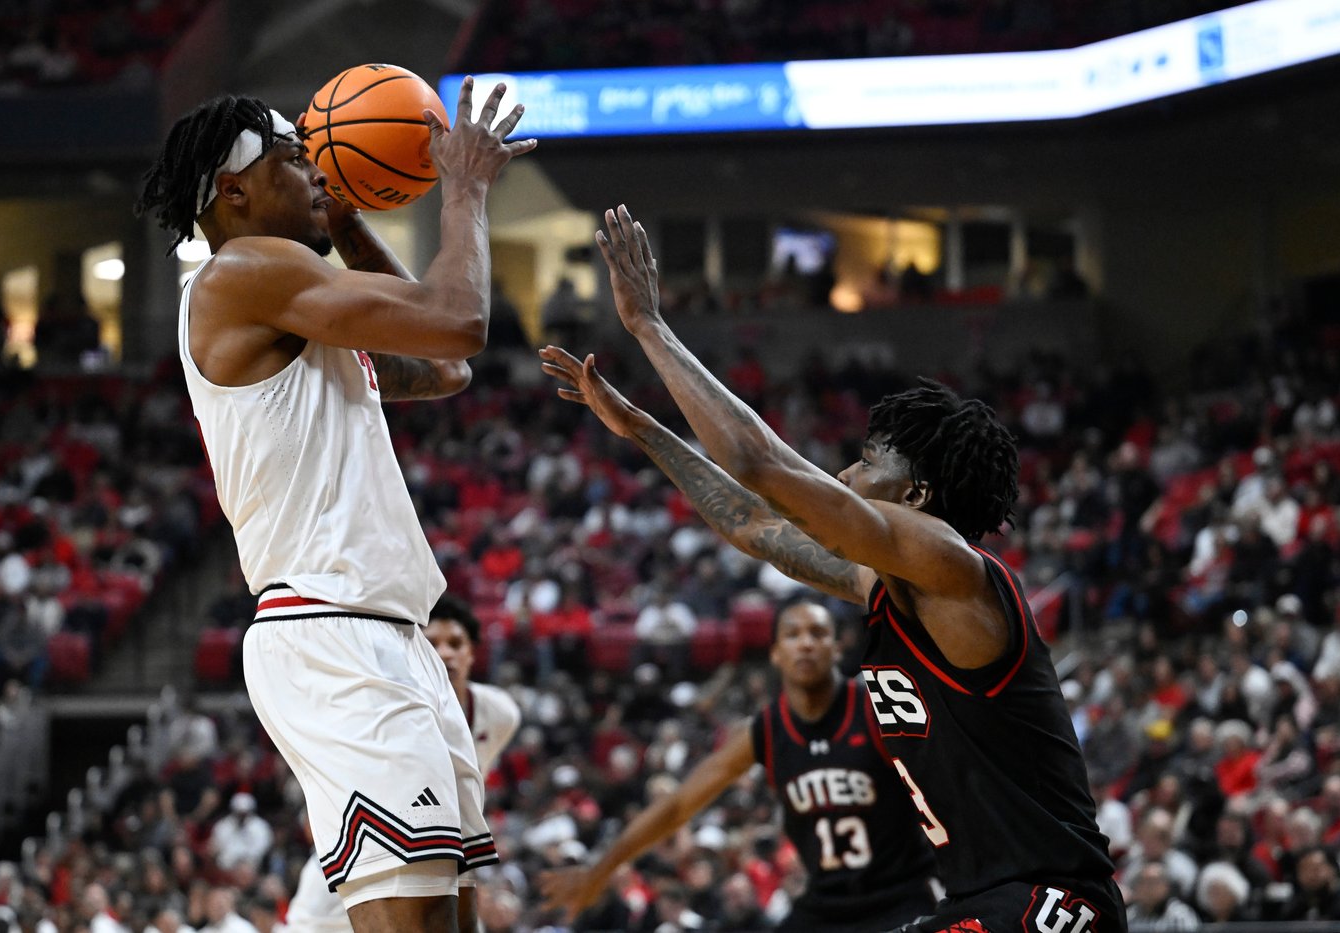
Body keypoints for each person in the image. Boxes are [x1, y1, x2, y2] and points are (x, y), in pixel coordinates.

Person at [539, 205, 1124, 933]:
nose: (845, 472)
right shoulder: (882, 585)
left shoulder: (952, 566)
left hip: (1054, 904)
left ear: (916, 495)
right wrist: (644, 429)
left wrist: (650, 328)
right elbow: (754, 523)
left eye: (869, 460)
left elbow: (762, 465)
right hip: (979, 904)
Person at [133, 78, 534, 933]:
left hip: (388, 631)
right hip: (331, 628)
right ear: (233, 190)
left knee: (453, 922)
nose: (316, 173)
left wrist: (346, 220)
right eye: (294, 160)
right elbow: (459, 320)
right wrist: (461, 188)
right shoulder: (244, 271)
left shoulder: (298, 293)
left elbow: (441, 370)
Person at [541, 595, 938, 931]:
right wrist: (602, 868)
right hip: (827, 900)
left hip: (902, 896)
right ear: (776, 654)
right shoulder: (766, 729)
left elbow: (945, 787)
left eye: (818, 634)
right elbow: (679, 804)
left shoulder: (874, 710)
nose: (805, 643)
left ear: (837, 647)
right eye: (793, 634)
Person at [287, 595, 523, 932]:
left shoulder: (499, 714)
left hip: (441, 849)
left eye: (456, 643)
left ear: (472, 653)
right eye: (432, 644)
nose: (444, 653)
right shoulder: (379, 705)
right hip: (366, 843)